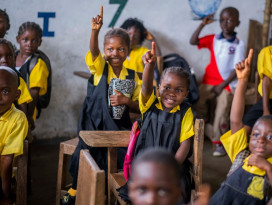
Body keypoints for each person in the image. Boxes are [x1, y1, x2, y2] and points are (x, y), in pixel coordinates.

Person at [61, 6, 141, 205]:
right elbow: (93, 51)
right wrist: (95, 32)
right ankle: (75, 187)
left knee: (127, 155)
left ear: (128, 51)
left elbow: (140, 107)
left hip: (118, 126)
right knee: (85, 152)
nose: (115, 53)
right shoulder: (99, 69)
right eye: (110, 49)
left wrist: (126, 101)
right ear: (105, 51)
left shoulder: (132, 76)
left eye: (121, 49)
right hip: (93, 124)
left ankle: (115, 189)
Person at [118, 41, 195, 204]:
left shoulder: (185, 112)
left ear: (186, 93)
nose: (172, 93)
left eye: (179, 90)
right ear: (158, 87)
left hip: (172, 167)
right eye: (167, 87)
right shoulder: (149, 104)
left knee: (175, 196)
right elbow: (145, 88)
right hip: (145, 166)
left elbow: (185, 144)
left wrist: (171, 166)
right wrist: (149, 66)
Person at [210, 49, 272, 205]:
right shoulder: (242, 154)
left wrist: (268, 167)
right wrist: (242, 81)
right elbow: (235, 121)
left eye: (270, 137)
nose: (261, 140)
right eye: (256, 134)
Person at [190, 7, 245, 156]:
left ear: (237, 23)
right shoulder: (214, 38)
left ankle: (218, 142)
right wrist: (203, 24)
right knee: (197, 102)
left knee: (222, 112)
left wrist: (222, 85)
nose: (225, 23)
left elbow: (237, 69)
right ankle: (202, 130)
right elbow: (193, 41)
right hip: (209, 81)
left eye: (229, 20)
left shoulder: (238, 44)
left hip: (226, 84)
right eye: (222, 20)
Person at [243, 12, 272, 136]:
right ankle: (243, 153)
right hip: (268, 100)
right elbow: (266, 80)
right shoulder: (266, 53)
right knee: (248, 123)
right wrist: (266, 110)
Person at [0, 66, 28, 204]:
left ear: (16, 95)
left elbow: (6, 159)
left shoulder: (18, 119)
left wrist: (5, 194)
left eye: (5, 91)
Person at [15, 21, 49, 130]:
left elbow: (34, 92)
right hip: (11, 107)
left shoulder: (38, 63)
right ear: (18, 39)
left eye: (34, 41)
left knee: (24, 136)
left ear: (40, 42)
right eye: (25, 39)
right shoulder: (11, 57)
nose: (29, 44)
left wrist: (28, 115)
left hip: (28, 108)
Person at [0, 38, 33, 120]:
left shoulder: (18, 80)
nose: (4, 60)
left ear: (14, 58)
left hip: (11, 123)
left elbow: (22, 106)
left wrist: (23, 122)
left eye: (9, 56)